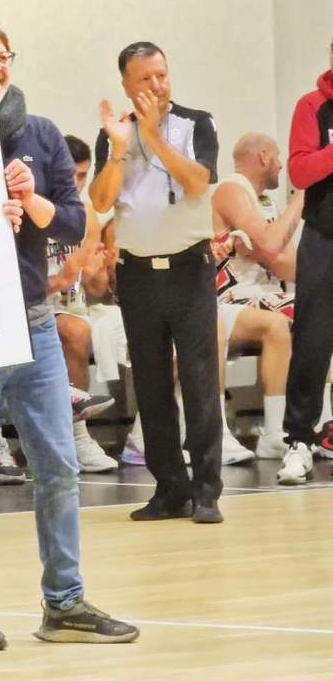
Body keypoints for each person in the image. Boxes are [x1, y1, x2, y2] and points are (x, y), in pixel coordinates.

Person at [0, 18, 139, 650]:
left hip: (34, 319)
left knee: (57, 467)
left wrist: (33, 201)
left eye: (2, 55)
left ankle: (64, 603)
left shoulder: (41, 134)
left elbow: (73, 225)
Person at [90, 41, 223, 524]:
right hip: (137, 274)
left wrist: (154, 137)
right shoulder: (114, 132)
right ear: (126, 85)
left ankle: (206, 490)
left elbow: (196, 182)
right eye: (144, 79)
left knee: (200, 380)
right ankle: (170, 488)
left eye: (161, 75)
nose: (156, 86)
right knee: (149, 383)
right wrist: (119, 149)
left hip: (189, 269)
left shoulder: (196, 123)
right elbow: (100, 201)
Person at [211, 133, 305, 466]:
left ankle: (299, 426)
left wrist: (267, 250)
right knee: (284, 321)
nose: (281, 164)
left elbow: (291, 267)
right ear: (263, 157)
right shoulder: (231, 189)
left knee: (317, 314)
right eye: (277, 156)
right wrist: (301, 199)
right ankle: (274, 431)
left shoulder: (266, 203)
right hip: (225, 298)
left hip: (261, 295)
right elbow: (268, 245)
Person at [45, 136, 124, 473]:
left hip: (74, 306)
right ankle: (77, 435)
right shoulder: (33, 208)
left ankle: (141, 435)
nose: (77, 183)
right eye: (71, 175)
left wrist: (99, 270)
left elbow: (95, 288)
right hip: (38, 305)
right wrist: (64, 276)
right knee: (74, 330)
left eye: (83, 175)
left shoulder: (88, 216)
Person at [279, 54, 333, 485]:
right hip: (324, 238)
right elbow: (299, 171)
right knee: (313, 342)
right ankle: (299, 440)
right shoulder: (312, 105)